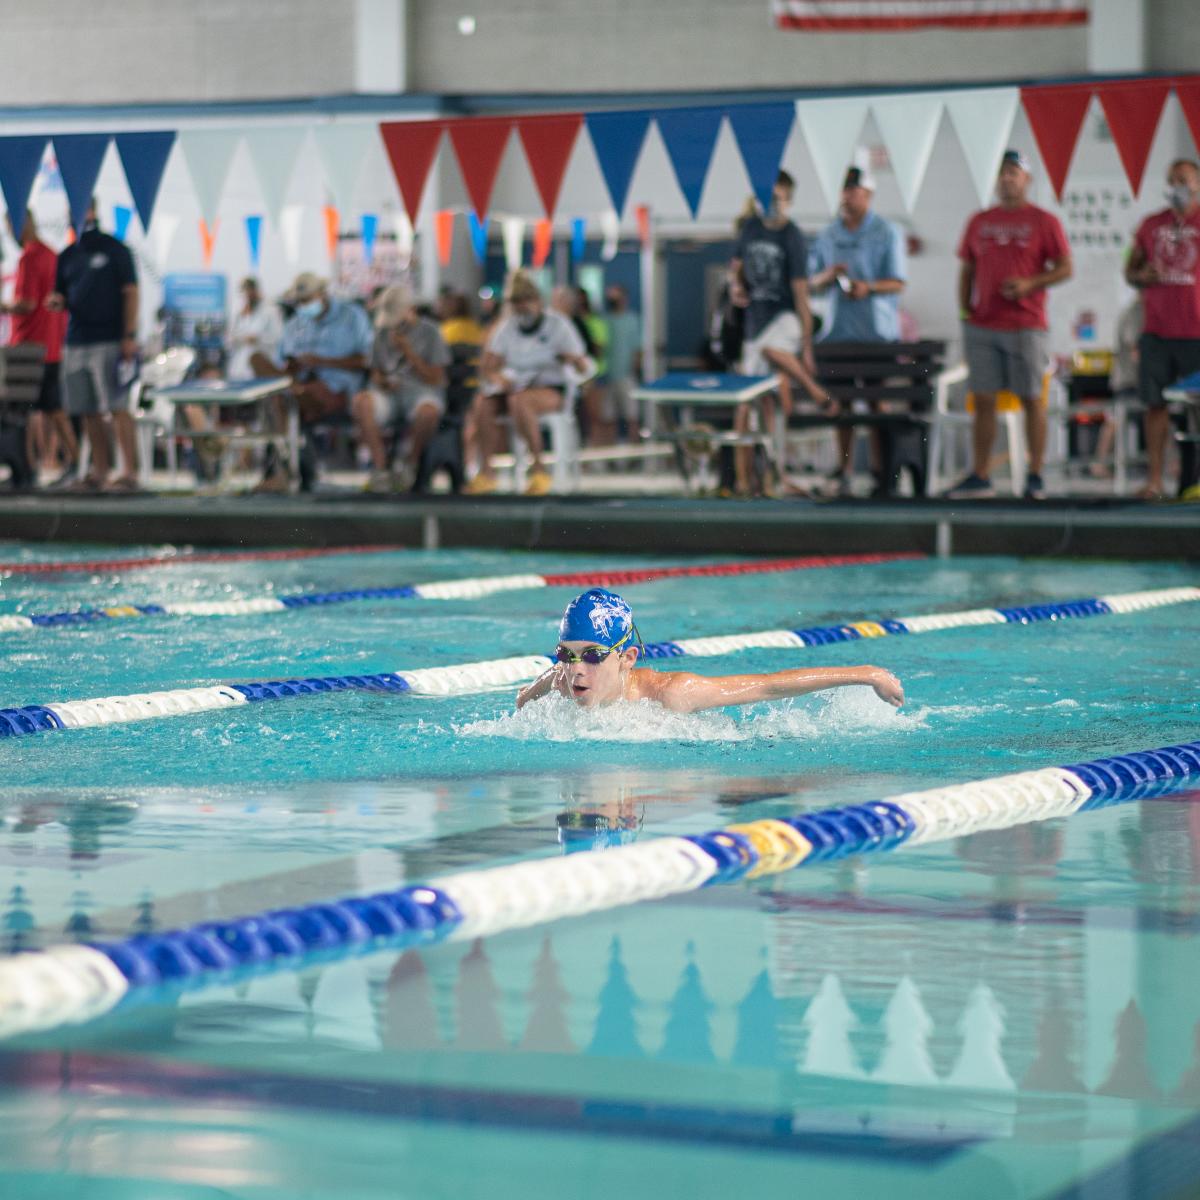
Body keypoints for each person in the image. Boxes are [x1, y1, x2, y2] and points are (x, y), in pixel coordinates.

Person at [516, 588, 904, 713]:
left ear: (627, 657)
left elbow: (768, 686)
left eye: (593, 654)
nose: (576, 669)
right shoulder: (564, 681)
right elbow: (530, 694)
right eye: (566, 654)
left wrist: (867, 673)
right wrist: (531, 693)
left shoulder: (670, 694)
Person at [949, 149, 1072, 499]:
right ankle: (981, 473)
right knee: (983, 399)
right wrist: (964, 313)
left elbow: (1066, 268)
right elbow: (966, 270)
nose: (1006, 179)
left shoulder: (1044, 221)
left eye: (1013, 173)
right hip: (983, 325)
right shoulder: (979, 221)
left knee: (1032, 398)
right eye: (1001, 173)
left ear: (1027, 180)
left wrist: (1030, 284)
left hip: (1026, 324)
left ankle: (1035, 475)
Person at [809, 164, 908, 496]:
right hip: (838, 336)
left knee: (878, 402)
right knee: (842, 403)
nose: (848, 196)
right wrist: (827, 276)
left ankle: (884, 472)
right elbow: (811, 282)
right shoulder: (827, 235)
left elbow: (897, 282)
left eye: (855, 191)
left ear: (868, 195)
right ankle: (845, 469)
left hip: (876, 337)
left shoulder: (887, 232)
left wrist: (868, 287)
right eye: (845, 190)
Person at [729, 170, 829, 495]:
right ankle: (749, 482)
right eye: (770, 198)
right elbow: (736, 269)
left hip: (786, 318)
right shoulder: (750, 228)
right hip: (754, 327)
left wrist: (807, 347)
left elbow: (801, 292)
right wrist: (736, 288)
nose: (775, 205)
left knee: (772, 353)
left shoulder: (793, 236)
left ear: (789, 201)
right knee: (747, 407)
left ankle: (814, 389)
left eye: (781, 199)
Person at [464, 271, 588, 496]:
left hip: (551, 389)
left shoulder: (559, 325)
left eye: (525, 301)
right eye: (515, 302)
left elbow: (584, 366)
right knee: (483, 402)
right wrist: (496, 378)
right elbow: (487, 365)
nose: (521, 307)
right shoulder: (506, 327)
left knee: (520, 401)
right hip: (516, 387)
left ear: (537, 300)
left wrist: (572, 360)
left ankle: (539, 470)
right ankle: (487, 473)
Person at [48, 198, 140, 493]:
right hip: (76, 341)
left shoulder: (115, 249)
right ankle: (100, 472)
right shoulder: (67, 256)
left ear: (93, 209)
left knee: (117, 407)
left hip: (110, 339)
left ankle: (130, 473)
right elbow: (60, 293)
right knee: (86, 409)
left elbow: (131, 293)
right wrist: (56, 302)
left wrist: (128, 335)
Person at [250, 272, 372, 492]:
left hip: (336, 389)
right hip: (299, 384)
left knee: (281, 400)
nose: (303, 305)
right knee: (258, 362)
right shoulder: (295, 324)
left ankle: (284, 472)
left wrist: (322, 361)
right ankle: (292, 391)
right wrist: (294, 366)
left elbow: (366, 360)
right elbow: (283, 359)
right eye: (300, 301)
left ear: (322, 294)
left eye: (307, 300)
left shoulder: (352, 317)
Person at [1124, 159, 1200, 499]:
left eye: (1183, 179)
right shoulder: (1150, 224)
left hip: (1197, 331)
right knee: (1154, 405)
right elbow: (1130, 270)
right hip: (1156, 330)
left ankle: (1194, 480)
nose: (1177, 185)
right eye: (1172, 180)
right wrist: (1143, 277)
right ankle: (1154, 480)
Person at [350, 282, 448, 492]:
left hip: (422, 391)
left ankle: (409, 463)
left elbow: (437, 378)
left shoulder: (431, 333)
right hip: (389, 395)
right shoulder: (381, 333)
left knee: (428, 412)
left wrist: (409, 352)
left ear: (409, 311)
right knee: (361, 402)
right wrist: (382, 381)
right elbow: (375, 370)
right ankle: (380, 468)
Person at [1, 209, 74, 485]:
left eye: (9, 228)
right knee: (47, 409)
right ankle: (57, 462)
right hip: (50, 345)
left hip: (28, 346)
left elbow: (26, 303)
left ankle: (29, 467)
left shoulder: (29, 257)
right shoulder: (51, 255)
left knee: (22, 410)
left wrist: (3, 305)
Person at [588, 283, 642, 447]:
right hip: (606, 378)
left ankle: (636, 455)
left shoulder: (632, 320)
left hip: (626, 376)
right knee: (607, 417)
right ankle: (610, 455)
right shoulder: (603, 320)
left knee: (631, 416)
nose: (613, 300)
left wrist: (634, 370)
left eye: (616, 297)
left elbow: (638, 349)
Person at [226, 276, 282, 380]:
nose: (247, 295)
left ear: (256, 291)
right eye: (245, 292)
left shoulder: (270, 311)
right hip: (238, 366)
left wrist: (258, 339)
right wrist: (236, 339)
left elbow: (277, 337)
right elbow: (229, 338)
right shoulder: (238, 314)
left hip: (261, 362)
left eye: (250, 291)